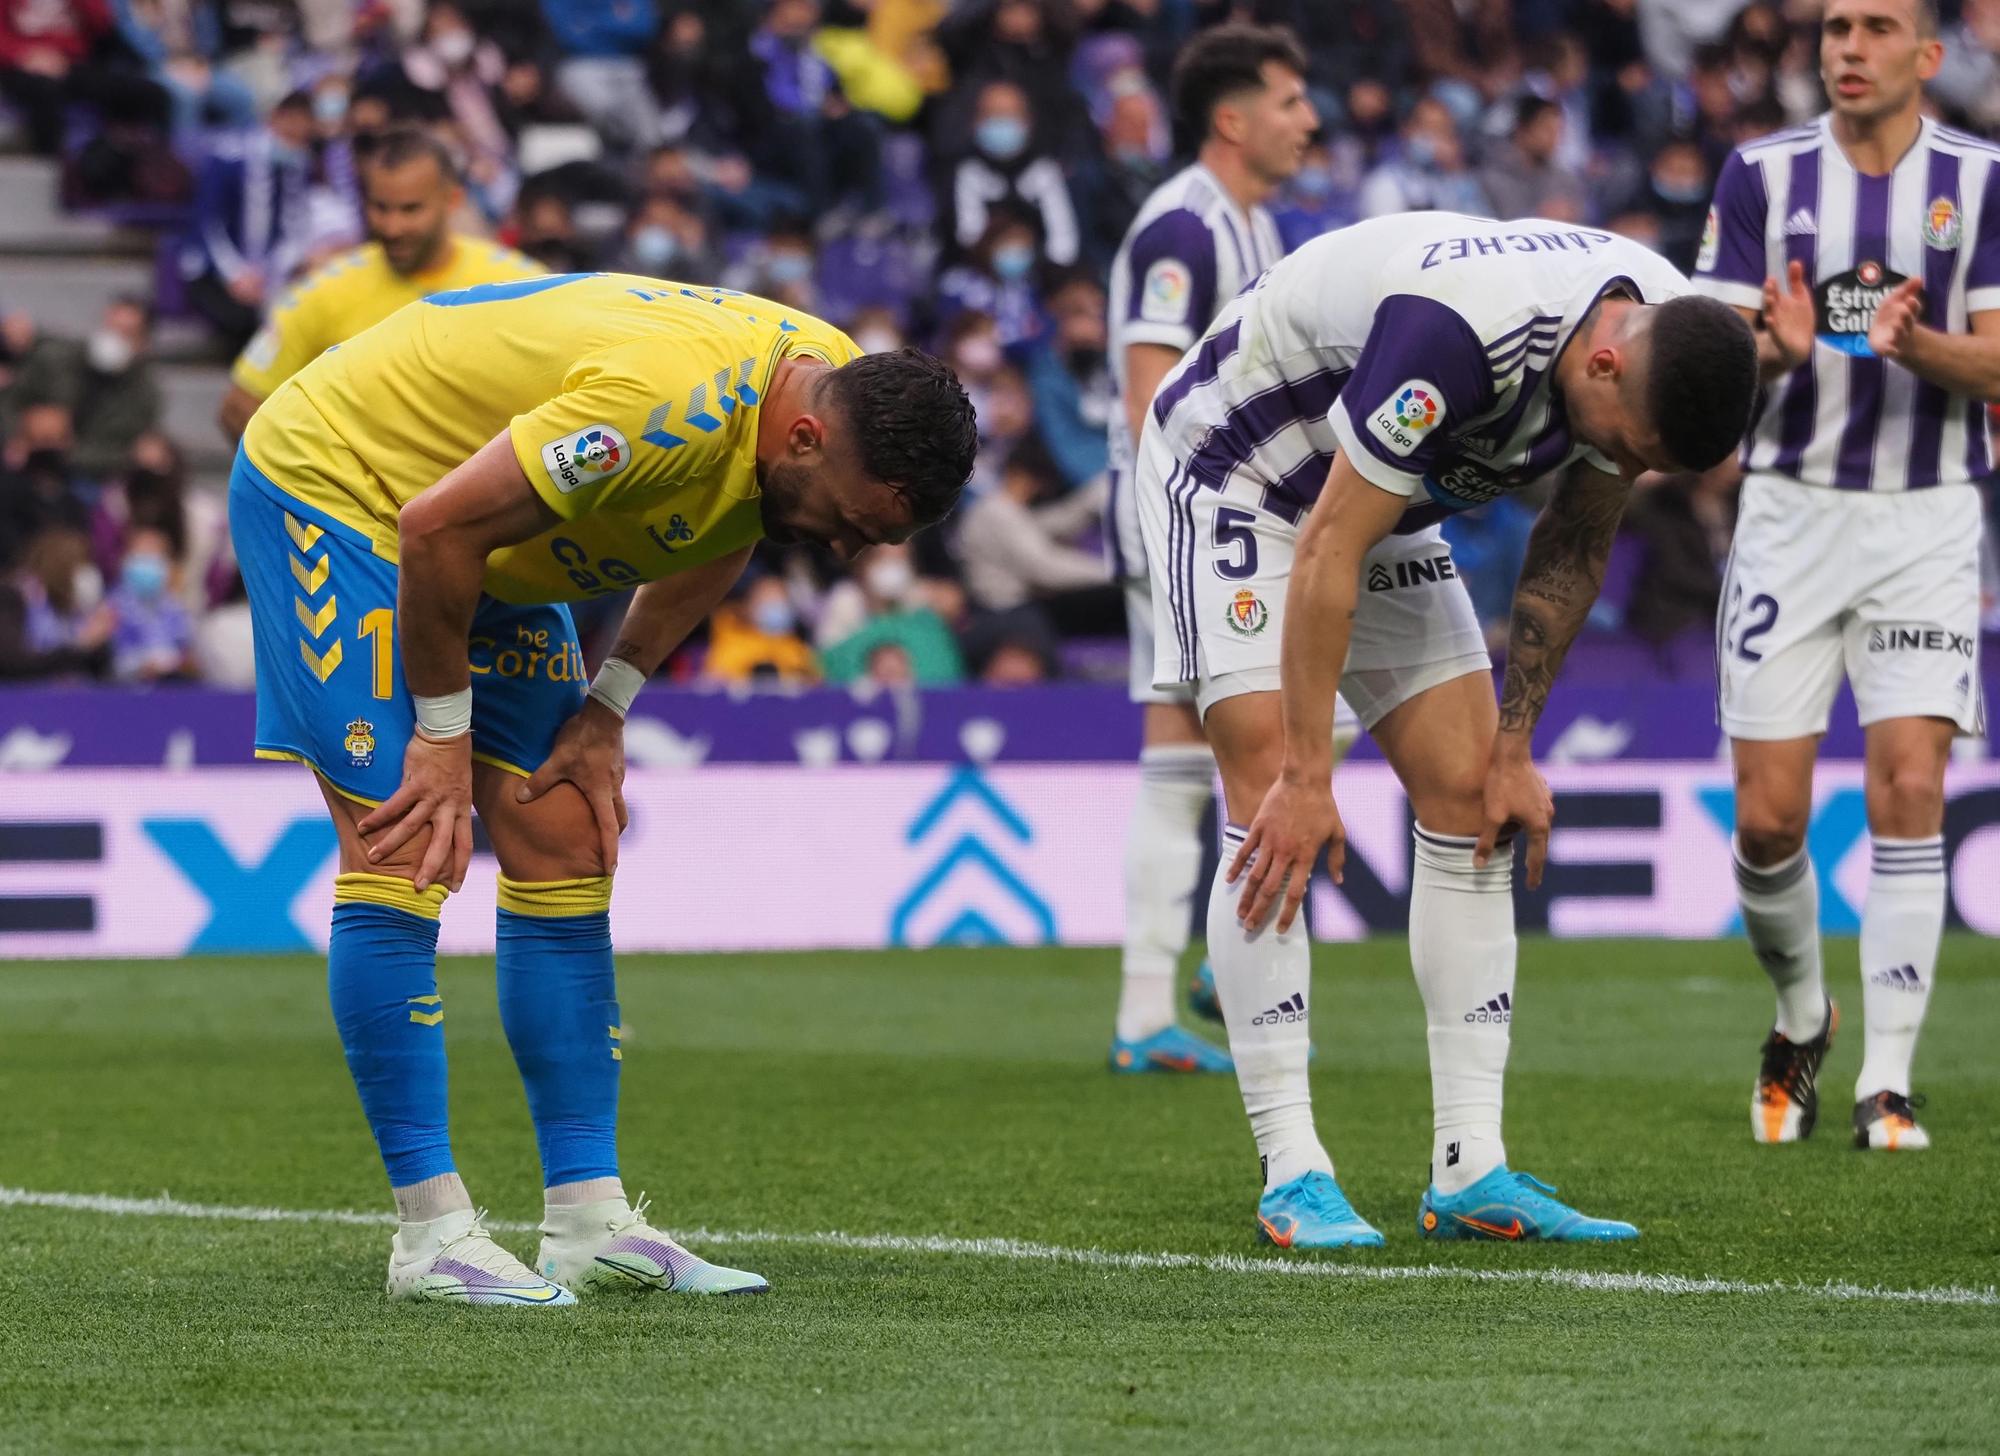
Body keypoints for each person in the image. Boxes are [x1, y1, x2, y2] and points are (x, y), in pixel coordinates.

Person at [229, 272, 976, 1303]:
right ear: (804, 438)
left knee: (566, 829)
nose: (846, 549)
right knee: (403, 840)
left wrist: (607, 704)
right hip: (348, 491)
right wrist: (440, 738)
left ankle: (586, 1221)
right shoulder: (655, 410)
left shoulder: (823, 384)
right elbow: (435, 529)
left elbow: (731, 518)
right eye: (850, 522)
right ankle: (430, 1234)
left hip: (487, 538)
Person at [1133, 213, 1756, 1248]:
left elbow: (1575, 534)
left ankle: (1469, 1169)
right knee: (1267, 801)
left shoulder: (1656, 323)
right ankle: (1291, 1168)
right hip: (1242, 473)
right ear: (1602, 360)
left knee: (1471, 799)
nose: (1617, 460)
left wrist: (1513, 746)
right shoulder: (1456, 334)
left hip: (1380, 500)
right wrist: (1304, 769)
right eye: (1623, 442)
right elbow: (1327, 545)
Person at [1691, 0, 1998, 1154]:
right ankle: (1798, 1018)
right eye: (1832, 26)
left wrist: (1914, 346)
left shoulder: (1979, 181)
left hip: (1922, 518)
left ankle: (1887, 1080)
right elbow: (1708, 361)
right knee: (1768, 818)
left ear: (1926, 56)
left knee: (1907, 788)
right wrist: (1766, 344)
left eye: (1874, 27)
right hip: (1787, 515)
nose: (1846, 47)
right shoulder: (1758, 177)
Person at [1102, 24, 1321, 1077]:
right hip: (1184, 510)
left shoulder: (1255, 228)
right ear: (1231, 119)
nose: (1307, 119)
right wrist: (1188, 512)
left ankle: (1185, 975)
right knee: (1213, 743)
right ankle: (1156, 997)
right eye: (1287, 100)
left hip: (1240, 511)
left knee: (1211, 745)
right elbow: (1152, 387)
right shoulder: (1181, 231)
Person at [219, 128, 542, 442]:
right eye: (380, 207)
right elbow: (239, 407)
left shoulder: (521, 285)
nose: (392, 226)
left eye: (411, 209)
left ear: (452, 199)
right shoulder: (324, 291)